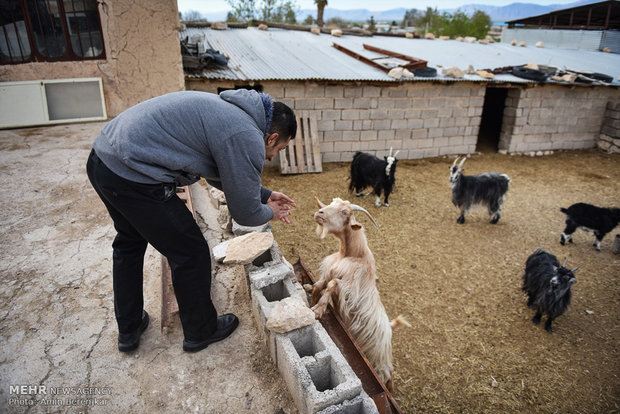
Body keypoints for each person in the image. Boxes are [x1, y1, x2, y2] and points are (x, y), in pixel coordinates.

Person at [86, 89, 297, 353]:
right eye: (280, 148)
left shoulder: (232, 114)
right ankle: (200, 330)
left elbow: (219, 175)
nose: (273, 156)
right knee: (191, 251)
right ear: (272, 137)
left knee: (129, 243)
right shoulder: (247, 136)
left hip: (104, 159)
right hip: (133, 174)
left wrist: (264, 194)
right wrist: (271, 212)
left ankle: (129, 328)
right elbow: (245, 213)